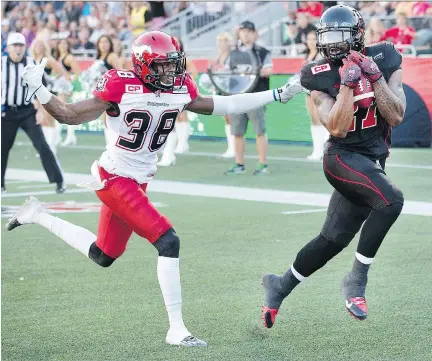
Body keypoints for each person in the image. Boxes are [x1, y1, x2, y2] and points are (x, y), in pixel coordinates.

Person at [12, 30, 303, 346]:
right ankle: (176, 329)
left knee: (103, 254)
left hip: (138, 180)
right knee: (168, 241)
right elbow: (69, 114)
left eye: (172, 64)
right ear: (143, 64)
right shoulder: (120, 84)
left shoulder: (179, 88)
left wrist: (277, 94)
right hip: (114, 176)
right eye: (162, 65)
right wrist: (39, 90)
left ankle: (36, 214)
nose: (170, 71)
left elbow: (225, 104)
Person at [261, 5, 406, 327]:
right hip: (341, 157)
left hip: (372, 160)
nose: (335, 45)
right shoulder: (317, 72)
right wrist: (346, 85)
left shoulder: (384, 55)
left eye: (342, 37)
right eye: (329, 37)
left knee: (333, 239)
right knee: (391, 201)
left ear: (358, 36)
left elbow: (396, 115)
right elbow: (336, 127)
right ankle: (356, 280)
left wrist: (375, 78)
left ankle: (279, 286)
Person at [1, 33, 65, 194]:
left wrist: (41, 111)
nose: (17, 49)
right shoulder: (1, 63)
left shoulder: (31, 63)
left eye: (20, 45)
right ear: (8, 48)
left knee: (42, 144)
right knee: (2, 148)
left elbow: (40, 89)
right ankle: (0, 184)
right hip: (7, 112)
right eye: (14, 45)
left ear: (25, 47)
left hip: (28, 111)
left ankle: (59, 180)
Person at [225, 21, 273, 176]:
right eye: (243, 31)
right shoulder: (233, 52)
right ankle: (239, 164)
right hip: (237, 98)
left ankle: (263, 164)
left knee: (259, 131)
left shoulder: (263, 52)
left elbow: (269, 70)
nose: (245, 34)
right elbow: (226, 71)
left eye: (248, 31)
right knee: (237, 132)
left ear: (254, 33)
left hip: (256, 97)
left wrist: (258, 71)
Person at [157, 36, 199, 166]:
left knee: (178, 116)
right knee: (165, 120)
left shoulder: (183, 58)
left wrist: (182, 82)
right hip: (164, 91)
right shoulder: (162, 56)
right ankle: (168, 151)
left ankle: (180, 144)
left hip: (178, 90)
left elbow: (193, 73)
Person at [30, 37, 70, 154]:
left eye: (41, 45)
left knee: (48, 120)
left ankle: (51, 148)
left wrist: (51, 81)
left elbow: (62, 72)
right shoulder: (31, 60)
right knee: (41, 120)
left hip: (47, 93)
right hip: (36, 93)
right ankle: (45, 148)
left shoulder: (48, 60)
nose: (39, 47)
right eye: (37, 45)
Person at [303, 30, 328, 161]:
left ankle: (325, 150)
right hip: (308, 90)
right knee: (313, 119)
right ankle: (316, 150)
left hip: (318, 90)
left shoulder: (321, 54)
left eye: (314, 39)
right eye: (309, 39)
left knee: (321, 119)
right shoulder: (308, 54)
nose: (311, 42)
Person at [56, 38, 81, 146]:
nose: (63, 45)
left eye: (65, 43)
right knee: (62, 112)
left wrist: (69, 83)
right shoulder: (58, 57)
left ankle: (68, 136)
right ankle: (68, 136)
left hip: (65, 88)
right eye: (61, 43)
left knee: (63, 112)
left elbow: (77, 72)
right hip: (59, 86)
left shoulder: (69, 57)